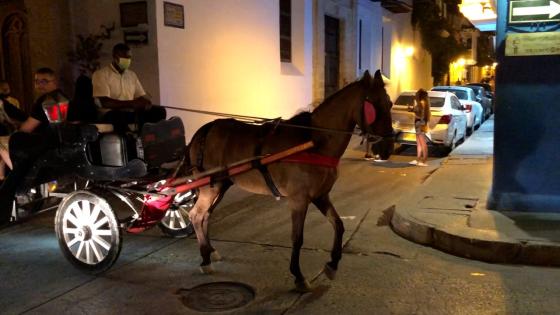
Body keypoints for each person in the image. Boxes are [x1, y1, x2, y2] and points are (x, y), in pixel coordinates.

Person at [0, 67, 68, 225]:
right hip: (57, 141)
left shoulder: (44, 101)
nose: (40, 85)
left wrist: (15, 129)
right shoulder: (62, 96)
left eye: (44, 81)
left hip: (43, 144)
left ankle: (10, 180)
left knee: (4, 142)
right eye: (37, 81)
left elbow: (27, 128)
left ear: (54, 81)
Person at [92, 43, 165, 133]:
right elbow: (105, 102)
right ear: (115, 57)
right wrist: (132, 103)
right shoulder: (101, 74)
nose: (127, 60)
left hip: (129, 111)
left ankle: (149, 140)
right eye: (124, 58)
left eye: (129, 58)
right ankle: (131, 140)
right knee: (117, 116)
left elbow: (140, 96)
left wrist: (145, 102)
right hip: (110, 113)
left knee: (159, 111)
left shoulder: (131, 75)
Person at [409, 89, 430, 167]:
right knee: (419, 143)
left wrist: (412, 108)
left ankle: (424, 160)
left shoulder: (421, 103)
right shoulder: (424, 103)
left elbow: (417, 112)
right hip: (421, 124)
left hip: (419, 124)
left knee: (422, 143)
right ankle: (418, 159)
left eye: (417, 94)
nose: (416, 95)